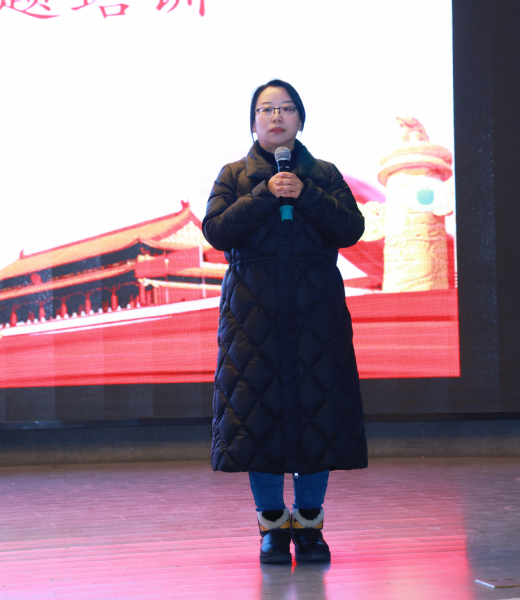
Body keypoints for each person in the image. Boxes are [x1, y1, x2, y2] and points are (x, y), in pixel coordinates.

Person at [202, 79, 368, 564]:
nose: (276, 117)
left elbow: (351, 228)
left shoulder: (325, 174)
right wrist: (265, 194)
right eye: (266, 109)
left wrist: (306, 194)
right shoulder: (234, 175)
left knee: (319, 414)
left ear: (300, 119)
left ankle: (310, 525)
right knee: (258, 419)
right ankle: (272, 526)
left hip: (317, 314)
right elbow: (216, 231)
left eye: (287, 108)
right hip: (252, 318)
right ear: (253, 122)